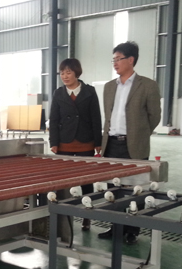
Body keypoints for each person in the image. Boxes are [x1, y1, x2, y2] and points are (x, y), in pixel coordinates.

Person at [98, 41, 162, 244]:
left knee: (136, 189)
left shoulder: (148, 85)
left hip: (133, 145)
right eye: (113, 60)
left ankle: (132, 230)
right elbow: (108, 115)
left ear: (131, 60)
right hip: (111, 144)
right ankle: (115, 227)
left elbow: (154, 116)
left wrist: (139, 135)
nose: (115, 63)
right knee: (113, 189)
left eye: (119, 59)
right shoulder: (109, 87)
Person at [49, 58, 102, 231]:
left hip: (85, 142)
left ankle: (87, 215)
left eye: (68, 72)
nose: (64, 76)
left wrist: (98, 142)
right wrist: (53, 142)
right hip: (64, 142)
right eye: (62, 73)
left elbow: (96, 117)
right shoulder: (58, 93)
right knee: (63, 180)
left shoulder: (89, 91)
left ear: (76, 73)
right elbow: (54, 119)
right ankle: (63, 215)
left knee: (86, 181)